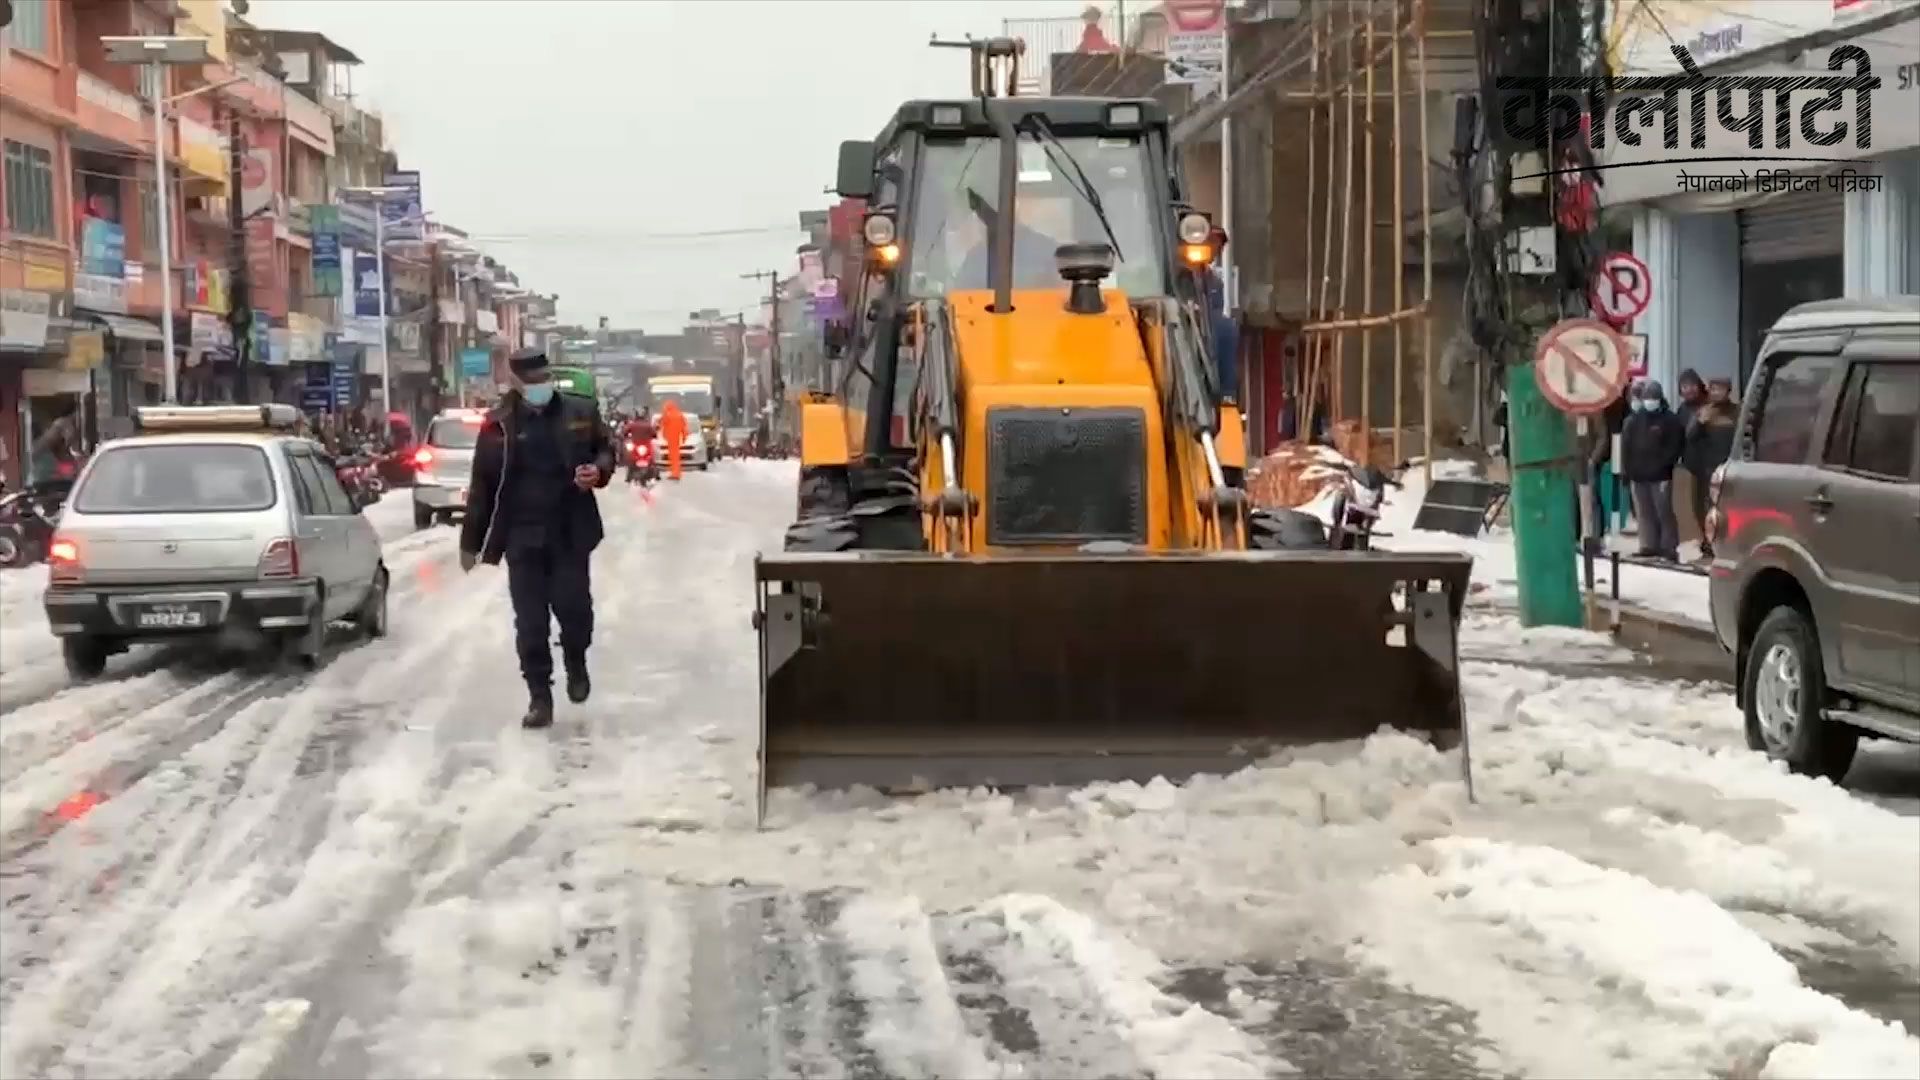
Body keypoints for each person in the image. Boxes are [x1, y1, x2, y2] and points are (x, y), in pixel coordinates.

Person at [459, 347, 616, 729]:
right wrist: (470, 542)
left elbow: (607, 449)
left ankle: (576, 661)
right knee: (530, 623)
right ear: (515, 383)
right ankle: (539, 698)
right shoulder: (496, 425)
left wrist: (598, 470)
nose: (539, 388)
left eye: (543, 380)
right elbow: (482, 486)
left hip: (569, 532)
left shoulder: (579, 412)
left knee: (575, 611)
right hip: (522, 537)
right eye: (531, 383)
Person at [1620, 379, 1686, 561]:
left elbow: (1675, 447)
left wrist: (1664, 465)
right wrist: (1626, 472)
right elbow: (1626, 448)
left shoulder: (1670, 420)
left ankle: (1668, 547)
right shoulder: (1633, 420)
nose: (1650, 400)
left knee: (1663, 511)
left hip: (1661, 475)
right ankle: (1648, 545)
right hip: (1638, 475)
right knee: (1644, 512)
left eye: (1653, 397)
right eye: (1647, 397)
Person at [1684, 377, 1738, 558]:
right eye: (1713, 389)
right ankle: (1709, 544)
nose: (1716, 393)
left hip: (1731, 469)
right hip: (1708, 470)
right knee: (1707, 509)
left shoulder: (1736, 412)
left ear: (1728, 391)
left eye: (1720, 389)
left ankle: (1730, 544)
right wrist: (1700, 422)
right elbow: (1690, 436)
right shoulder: (1704, 411)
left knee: (1731, 509)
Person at [1204, 227, 1239, 403]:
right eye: (1211, 243)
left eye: (1218, 247)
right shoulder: (1182, 275)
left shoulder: (1215, 281)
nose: (1215, 250)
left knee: (1227, 328)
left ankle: (1226, 392)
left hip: (1207, 329)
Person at [659, 399, 688, 481]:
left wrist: (664, 413)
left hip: (671, 438)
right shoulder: (680, 415)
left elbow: (663, 423)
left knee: (673, 456)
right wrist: (684, 437)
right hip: (676, 438)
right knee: (676, 456)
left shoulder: (668, 415)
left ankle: (675, 473)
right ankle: (676, 472)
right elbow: (684, 428)